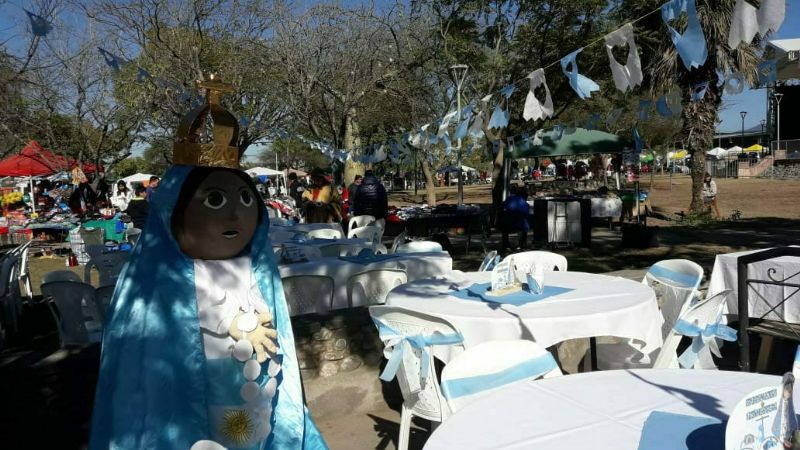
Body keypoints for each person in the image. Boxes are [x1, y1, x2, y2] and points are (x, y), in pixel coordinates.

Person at [91, 167, 327, 450]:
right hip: (203, 387)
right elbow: (148, 356)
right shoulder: (156, 282)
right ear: (173, 212)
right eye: (215, 199)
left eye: (246, 198)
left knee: (255, 432)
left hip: (259, 386)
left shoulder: (258, 270)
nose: (235, 215)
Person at [499, 185, 530, 251]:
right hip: (519, 226)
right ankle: (522, 244)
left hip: (506, 225)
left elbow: (501, 207)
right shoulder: (524, 203)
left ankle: (506, 245)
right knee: (526, 225)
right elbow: (526, 215)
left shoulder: (509, 199)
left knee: (505, 223)